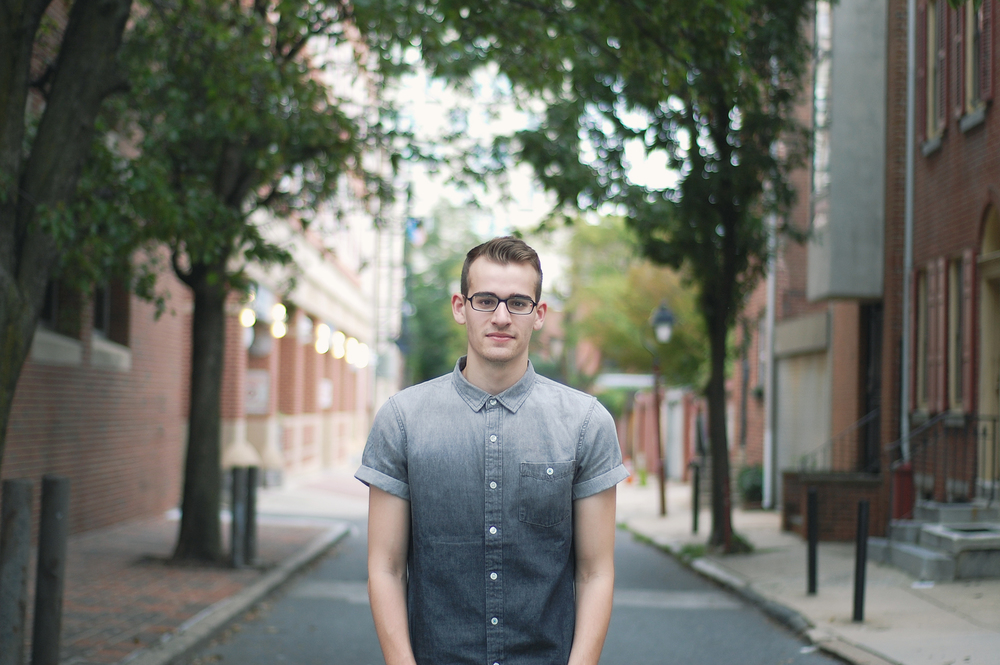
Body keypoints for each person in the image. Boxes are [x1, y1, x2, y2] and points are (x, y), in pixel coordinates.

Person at [356, 236, 628, 665]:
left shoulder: (585, 423)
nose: (501, 316)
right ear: (460, 306)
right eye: (485, 300)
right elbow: (385, 567)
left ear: (538, 315)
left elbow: (596, 572)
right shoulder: (402, 420)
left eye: (518, 302)